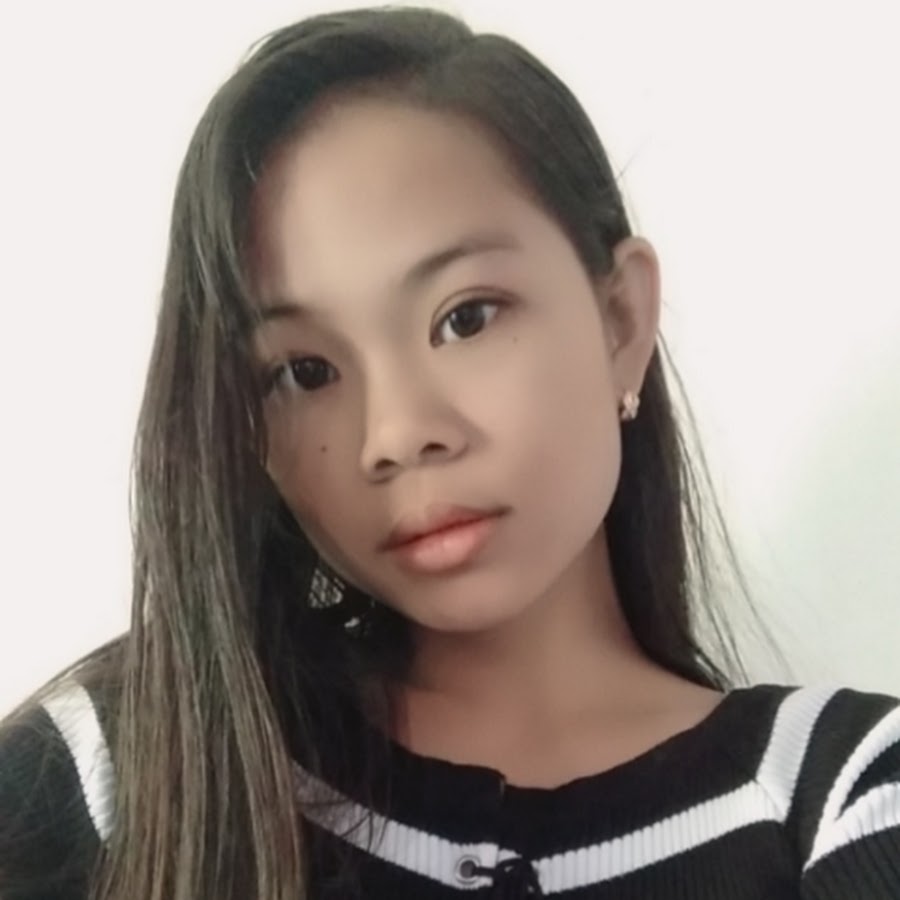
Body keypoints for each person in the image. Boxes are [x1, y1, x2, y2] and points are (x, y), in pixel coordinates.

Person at [0, 6, 897, 899]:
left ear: (621, 319)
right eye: (304, 371)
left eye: (464, 318)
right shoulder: (121, 770)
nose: (395, 434)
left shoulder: (846, 798)